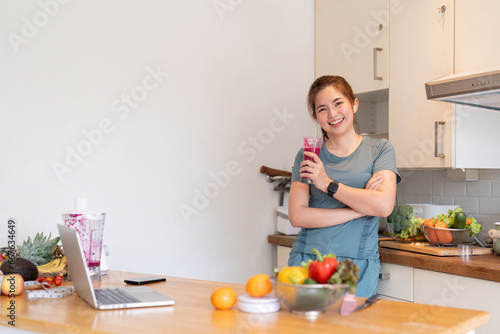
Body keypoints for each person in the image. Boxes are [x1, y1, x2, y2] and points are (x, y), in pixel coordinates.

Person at [288, 75, 401, 297]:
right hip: (307, 261)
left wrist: (327, 184)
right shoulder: (309, 155)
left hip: (356, 267)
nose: (332, 114)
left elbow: (384, 206)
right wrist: (359, 209)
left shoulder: (380, 150)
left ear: (354, 104)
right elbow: (298, 217)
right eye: (322, 109)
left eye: (338, 103)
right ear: (316, 116)